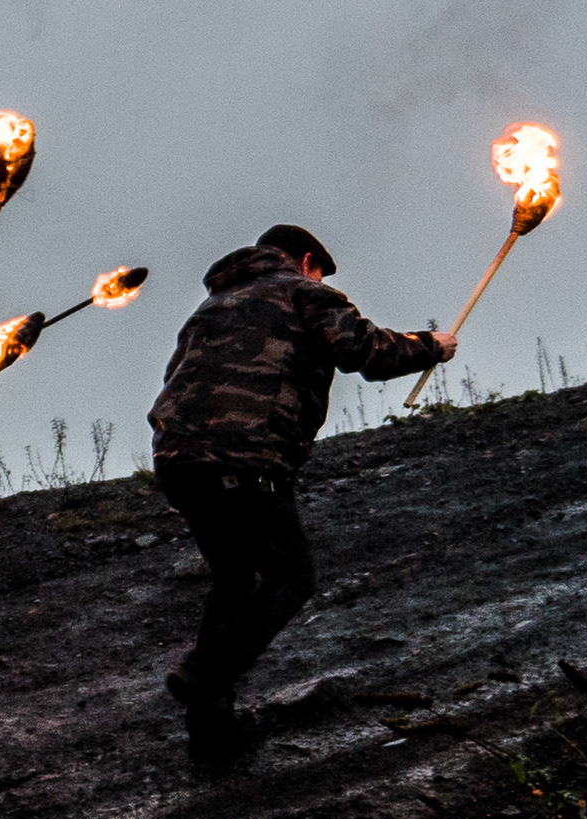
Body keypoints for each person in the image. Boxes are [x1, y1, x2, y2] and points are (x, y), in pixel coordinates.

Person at [145, 227, 452, 765]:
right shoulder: (302, 290)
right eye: (320, 271)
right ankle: (205, 672)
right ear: (307, 260)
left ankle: (212, 731)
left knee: (236, 579)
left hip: (178, 461)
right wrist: (431, 346)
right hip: (246, 456)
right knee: (291, 575)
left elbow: (178, 378)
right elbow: (363, 350)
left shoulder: (209, 308)